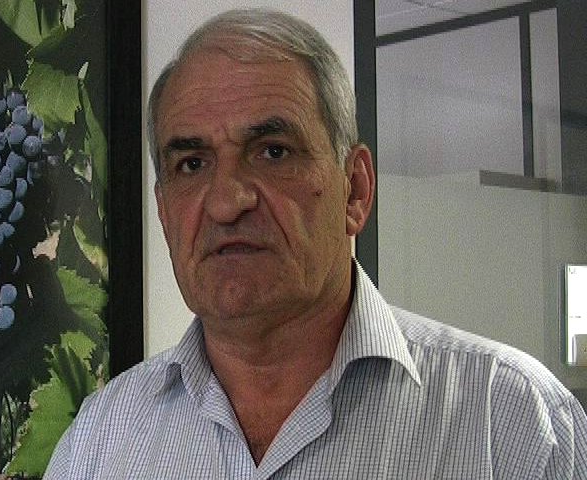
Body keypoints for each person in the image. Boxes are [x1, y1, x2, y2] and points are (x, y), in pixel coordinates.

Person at [44, 8, 587, 479]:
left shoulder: (512, 425)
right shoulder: (99, 442)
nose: (227, 202)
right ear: (164, 210)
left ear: (356, 189)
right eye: (191, 163)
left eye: (273, 152)